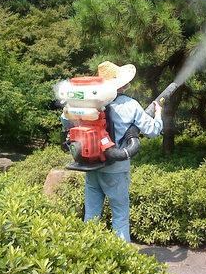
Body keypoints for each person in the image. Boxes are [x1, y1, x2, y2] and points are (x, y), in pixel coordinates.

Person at [63, 61, 163, 242]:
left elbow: (66, 121)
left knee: (92, 215)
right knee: (120, 215)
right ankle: (122, 259)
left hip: (92, 165)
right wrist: (159, 114)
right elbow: (153, 131)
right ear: (122, 84)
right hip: (116, 168)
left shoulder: (86, 103)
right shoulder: (129, 105)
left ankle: (87, 253)